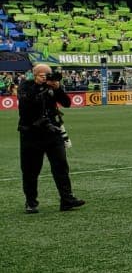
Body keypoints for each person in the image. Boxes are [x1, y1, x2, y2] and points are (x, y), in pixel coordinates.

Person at [17, 64, 85, 213]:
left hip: (52, 132)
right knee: (30, 170)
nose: (46, 77)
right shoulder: (25, 86)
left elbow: (67, 103)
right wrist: (41, 87)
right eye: (42, 75)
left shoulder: (53, 87)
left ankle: (67, 200)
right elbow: (27, 103)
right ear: (34, 75)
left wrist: (57, 88)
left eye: (48, 75)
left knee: (61, 166)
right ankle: (31, 202)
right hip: (31, 134)